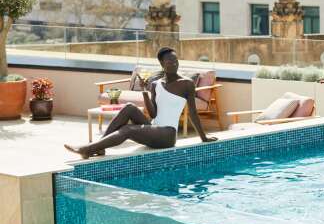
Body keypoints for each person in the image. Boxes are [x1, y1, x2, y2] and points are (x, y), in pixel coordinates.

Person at [64, 47, 217, 159]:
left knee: (128, 129)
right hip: (154, 129)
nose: (174, 64)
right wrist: (144, 91)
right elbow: (153, 114)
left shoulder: (187, 84)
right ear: (162, 64)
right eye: (170, 62)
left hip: (167, 135)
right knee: (129, 107)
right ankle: (99, 147)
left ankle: (88, 149)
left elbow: (193, 113)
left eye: (176, 61)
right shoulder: (156, 84)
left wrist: (203, 137)